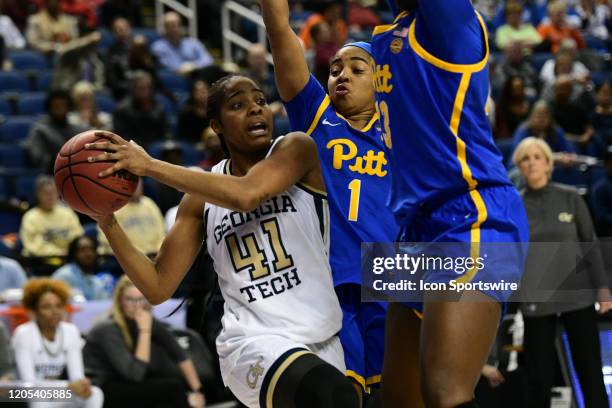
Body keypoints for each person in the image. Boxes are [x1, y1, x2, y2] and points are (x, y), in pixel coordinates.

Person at [85, 74, 359, 408]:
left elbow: (247, 195)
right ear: (217, 125)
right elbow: (158, 287)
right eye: (238, 105)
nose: (255, 110)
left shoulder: (296, 149)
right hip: (252, 343)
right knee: (331, 395)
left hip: (322, 340)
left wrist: (150, 166)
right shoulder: (198, 200)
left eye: (259, 101)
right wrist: (106, 220)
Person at [370, 1, 530, 407]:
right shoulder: (388, 32)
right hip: (416, 227)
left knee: (445, 394)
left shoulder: (448, 22)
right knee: (398, 399)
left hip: (470, 212)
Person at [261, 0, 398, 399]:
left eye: (358, 70)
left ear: (381, 81)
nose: (342, 76)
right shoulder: (319, 118)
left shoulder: (400, 132)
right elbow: (281, 36)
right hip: (332, 278)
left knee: (398, 391)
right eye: (336, 68)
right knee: (343, 394)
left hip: (393, 274)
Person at [513, 137, 611, 408]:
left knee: (590, 372)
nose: (531, 163)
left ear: (548, 164)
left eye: (537, 157)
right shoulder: (515, 205)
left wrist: (603, 290)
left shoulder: (570, 197)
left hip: (576, 296)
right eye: (525, 158)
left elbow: (589, 244)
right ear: (519, 167)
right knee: (539, 379)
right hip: (537, 300)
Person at [83, 275, 205, 408]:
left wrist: (197, 391)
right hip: (100, 387)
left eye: (140, 299)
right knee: (172, 390)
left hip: (124, 381)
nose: (136, 306)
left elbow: (178, 353)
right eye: (130, 299)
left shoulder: (145, 320)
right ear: (120, 301)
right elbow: (135, 374)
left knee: (172, 388)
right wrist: (145, 331)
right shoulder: (107, 328)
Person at [11, 278, 104, 408]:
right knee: (38, 400)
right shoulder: (24, 333)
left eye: (58, 306)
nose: (55, 311)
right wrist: (67, 386)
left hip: (59, 392)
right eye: (46, 307)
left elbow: (76, 377)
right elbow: (29, 384)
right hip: (24, 394)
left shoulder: (71, 331)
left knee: (95, 393)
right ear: (34, 311)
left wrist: (82, 386)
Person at [19, 175, 83, 264]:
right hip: (39, 263)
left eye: (53, 192)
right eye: (46, 193)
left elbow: (78, 238)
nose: (50, 197)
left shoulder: (68, 213)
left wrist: (69, 253)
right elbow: (35, 247)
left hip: (68, 260)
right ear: (38, 195)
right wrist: (59, 254)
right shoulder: (30, 217)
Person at [25, 89, 88, 173]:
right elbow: (36, 158)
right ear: (49, 108)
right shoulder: (40, 130)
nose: (60, 110)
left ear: (69, 107)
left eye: (63, 106)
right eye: (56, 106)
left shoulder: (78, 130)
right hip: (48, 174)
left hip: (76, 173)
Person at [97, 181, 165, 258]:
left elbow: (162, 234)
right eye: (133, 185)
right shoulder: (114, 208)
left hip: (154, 256)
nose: (136, 188)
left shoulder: (150, 203)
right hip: (125, 259)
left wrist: (158, 252)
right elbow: (107, 241)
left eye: (138, 184)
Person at [112, 70, 168, 148]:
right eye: (141, 88)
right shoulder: (122, 110)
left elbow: (165, 132)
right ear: (133, 89)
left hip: (157, 149)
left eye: (148, 87)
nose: (146, 92)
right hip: (134, 150)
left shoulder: (158, 106)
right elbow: (123, 139)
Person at [151, 11, 214, 76]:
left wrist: (193, 65)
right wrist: (183, 68)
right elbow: (167, 66)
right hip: (174, 77)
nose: (173, 29)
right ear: (164, 28)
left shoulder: (193, 43)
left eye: (176, 25)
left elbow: (208, 60)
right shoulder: (158, 47)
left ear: (181, 26)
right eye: (169, 25)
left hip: (196, 74)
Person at [511, 100, 576, 161]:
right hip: (521, 167)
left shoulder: (556, 131)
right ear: (531, 117)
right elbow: (520, 155)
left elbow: (570, 153)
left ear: (550, 118)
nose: (541, 119)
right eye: (538, 116)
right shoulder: (523, 130)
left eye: (545, 116)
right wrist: (554, 157)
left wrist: (569, 158)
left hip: (551, 169)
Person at [52, 235, 110, 300]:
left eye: (91, 249)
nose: (88, 254)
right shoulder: (63, 275)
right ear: (74, 253)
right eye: (82, 249)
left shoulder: (96, 282)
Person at [176, 79, 209, 144]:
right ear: (192, 94)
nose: (201, 95)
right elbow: (183, 137)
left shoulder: (216, 111)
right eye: (198, 92)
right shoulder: (186, 114)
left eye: (204, 91)